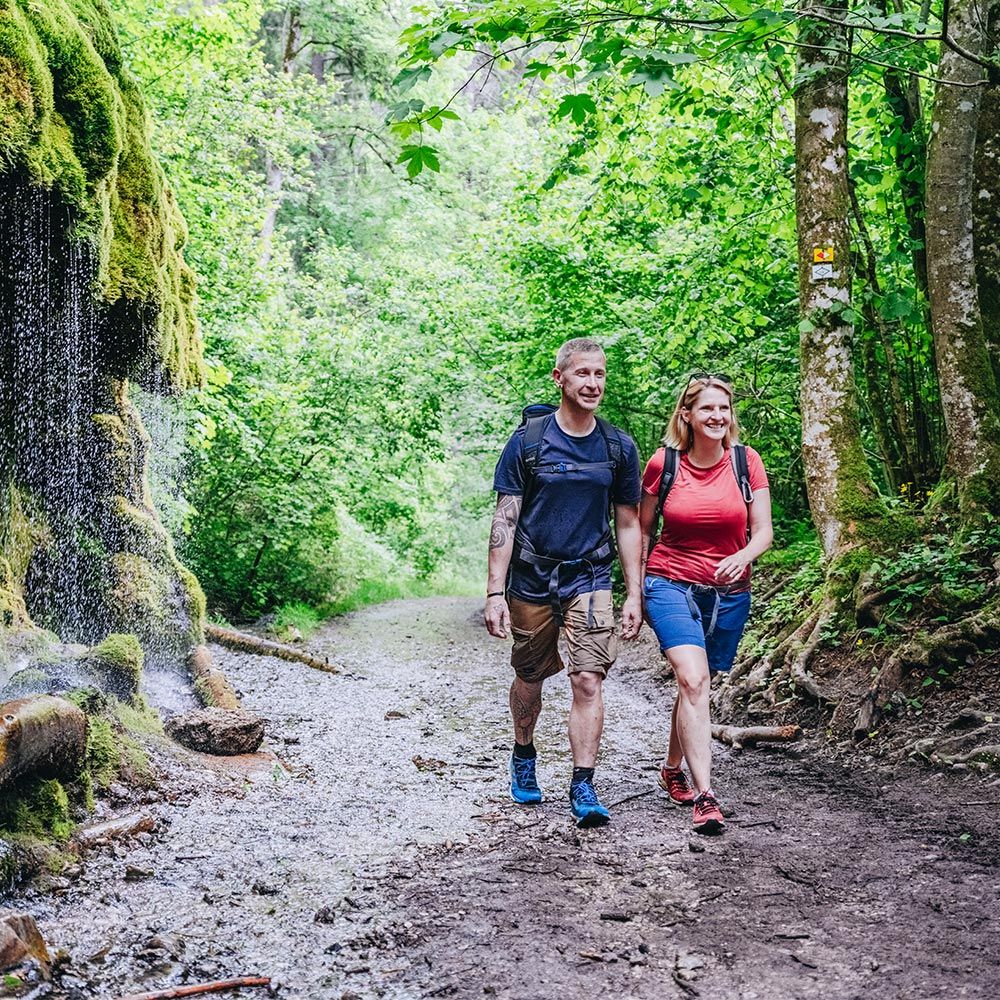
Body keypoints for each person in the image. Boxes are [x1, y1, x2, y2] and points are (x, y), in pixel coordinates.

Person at [485, 338, 642, 828]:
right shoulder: (528, 443)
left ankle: (583, 783)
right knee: (530, 676)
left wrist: (633, 591)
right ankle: (524, 754)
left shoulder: (618, 447)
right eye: (582, 374)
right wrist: (494, 592)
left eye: (599, 374)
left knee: (588, 679)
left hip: (591, 576)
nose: (592, 383)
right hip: (531, 577)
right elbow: (505, 520)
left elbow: (630, 523)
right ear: (560, 379)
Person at [639, 374, 773, 835]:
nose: (717, 416)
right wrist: (634, 592)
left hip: (729, 593)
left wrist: (742, 556)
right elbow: (642, 530)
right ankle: (706, 796)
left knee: (696, 685)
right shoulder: (663, 465)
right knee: (693, 678)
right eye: (707, 409)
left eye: (724, 408)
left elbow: (764, 533)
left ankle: (672, 767)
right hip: (670, 582)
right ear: (687, 416)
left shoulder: (746, 462)